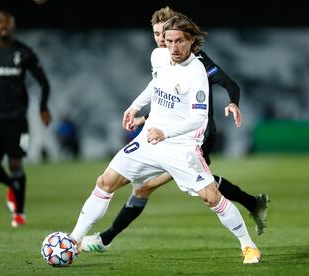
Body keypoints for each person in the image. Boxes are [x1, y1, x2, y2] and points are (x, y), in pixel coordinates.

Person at [70, 14, 261, 264]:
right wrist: (134, 107)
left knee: (211, 198)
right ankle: (73, 240)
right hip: (149, 142)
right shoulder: (158, 56)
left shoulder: (197, 73)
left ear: (191, 41)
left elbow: (198, 119)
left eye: (179, 41)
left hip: (181, 147)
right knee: (105, 181)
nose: (172, 47)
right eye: (168, 40)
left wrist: (165, 132)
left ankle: (248, 246)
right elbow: (156, 84)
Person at [0, 10, 52, 227]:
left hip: (18, 119)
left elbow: (44, 83)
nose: (3, 26)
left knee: (16, 163)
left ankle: (19, 213)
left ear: (14, 26)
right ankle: (11, 186)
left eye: (7, 22)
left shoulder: (24, 53)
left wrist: (43, 108)